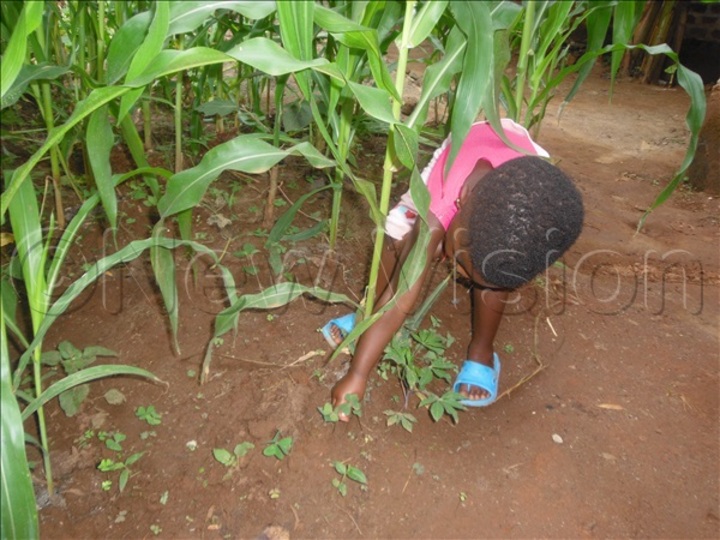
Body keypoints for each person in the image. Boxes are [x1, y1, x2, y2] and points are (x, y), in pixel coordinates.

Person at [321, 119, 584, 419]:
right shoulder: (441, 203)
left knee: (496, 278)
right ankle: (366, 314)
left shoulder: (529, 210)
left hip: (524, 169)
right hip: (463, 151)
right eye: (459, 263)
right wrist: (358, 374)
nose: (457, 276)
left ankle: (482, 352)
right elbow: (400, 298)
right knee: (399, 239)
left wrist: (482, 273)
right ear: (462, 203)